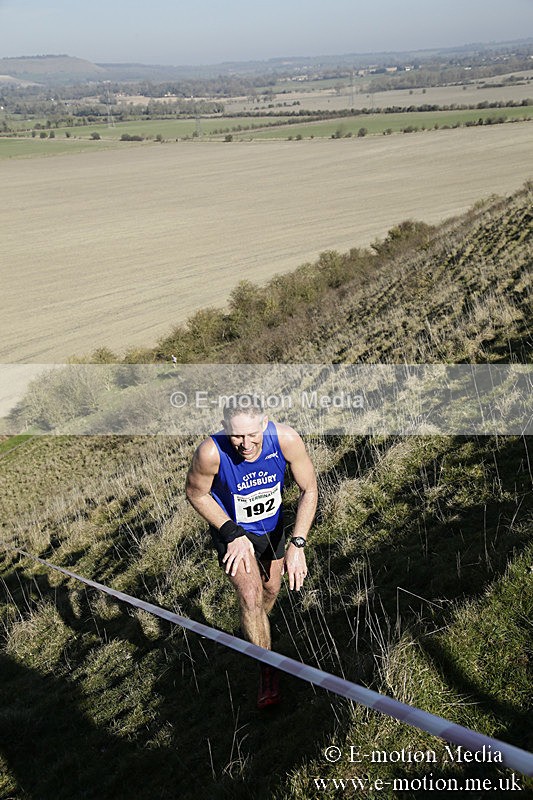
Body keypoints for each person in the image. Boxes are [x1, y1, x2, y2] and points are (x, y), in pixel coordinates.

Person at [185, 394, 317, 708]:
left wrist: (298, 543)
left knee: (270, 589)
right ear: (223, 428)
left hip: (271, 530)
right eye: (237, 436)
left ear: (264, 423)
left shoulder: (285, 439)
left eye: (252, 434)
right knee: (250, 593)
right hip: (231, 532)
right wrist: (230, 532)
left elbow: (309, 489)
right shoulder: (210, 453)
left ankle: (255, 624)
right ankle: (266, 668)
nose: (245, 444)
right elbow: (195, 492)